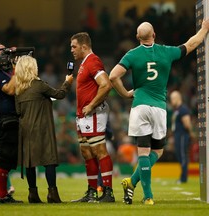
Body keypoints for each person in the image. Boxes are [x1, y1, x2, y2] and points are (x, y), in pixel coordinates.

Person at [109, 20, 209, 205]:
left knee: (143, 152)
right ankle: (141, 191)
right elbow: (191, 44)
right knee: (158, 151)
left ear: (137, 37)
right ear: (154, 35)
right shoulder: (166, 51)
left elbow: (113, 76)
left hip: (139, 106)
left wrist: (125, 94)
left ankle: (138, 188)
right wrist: (204, 29)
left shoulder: (132, 54)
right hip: (159, 107)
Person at [15, 55, 73, 203]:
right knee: (49, 160)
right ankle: (52, 194)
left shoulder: (18, 89)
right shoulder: (38, 85)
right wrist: (67, 82)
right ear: (31, 68)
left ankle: (32, 194)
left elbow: (18, 112)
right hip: (42, 128)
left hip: (25, 129)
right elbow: (60, 94)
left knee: (30, 162)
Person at [70, 32, 115, 203]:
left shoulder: (93, 61)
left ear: (84, 46)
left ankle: (108, 192)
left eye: (74, 47)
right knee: (87, 153)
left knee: (99, 151)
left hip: (93, 114)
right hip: (83, 115)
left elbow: (106, 84)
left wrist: (92, 105)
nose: (72, 50)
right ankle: (91, 192)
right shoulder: (84, 63)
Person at [0, 42, 22, 204]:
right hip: (5, 119)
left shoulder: (6, 72)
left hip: (11, 118)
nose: (4, 55)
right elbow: (10, 90)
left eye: (4, 51)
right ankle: (1, 195)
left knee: (8, 158)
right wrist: (17, 70)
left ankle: (1, 194)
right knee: (5, 157)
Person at [170, 90, 194, 184]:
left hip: (182, 135)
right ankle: (182, 177)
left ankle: (183, 178)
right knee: (179, 155)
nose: (171, 101)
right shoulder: (177, 110)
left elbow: (187, 123)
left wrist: (191, 133)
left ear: (177, 98)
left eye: (172, 99)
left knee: (183, 156)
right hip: (178, 135)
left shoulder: (183, 109)